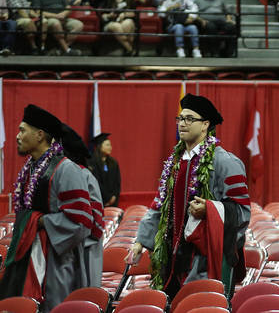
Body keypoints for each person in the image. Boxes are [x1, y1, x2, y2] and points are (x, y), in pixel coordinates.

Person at [130, 95, 249, 297]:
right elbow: (159, 205)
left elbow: (242, 212)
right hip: (173, 259)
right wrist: (140, 241)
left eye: (189, 119)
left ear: (205, 125)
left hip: (206, 259)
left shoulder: (225, 162)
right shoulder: (175, 163)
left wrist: (210, 209)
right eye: (180, 118)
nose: (182, 124)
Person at [0, 105, 91, 311]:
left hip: (57, 264)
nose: (17, 136)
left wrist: (39, 221)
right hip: (26, 260)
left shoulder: (66, 169)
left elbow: (82, 222)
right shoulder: (29, 170)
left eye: (23, 130)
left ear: (40, 135)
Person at [58, 124, 104, 290]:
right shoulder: (58, 174)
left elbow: (95, 220)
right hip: (66, 245)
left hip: (86, 245)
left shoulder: (85, 176)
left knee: (85, 293)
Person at [88, 132, 121, 207]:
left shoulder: (113, 163)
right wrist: (108, 198)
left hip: (113, 202)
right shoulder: (92, 162)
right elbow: (96, 182)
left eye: (110, 145)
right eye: (107, 145)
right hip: (98, 200)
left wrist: (113, 197)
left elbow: (117, 183)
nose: (110, 147)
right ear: (100, 146)